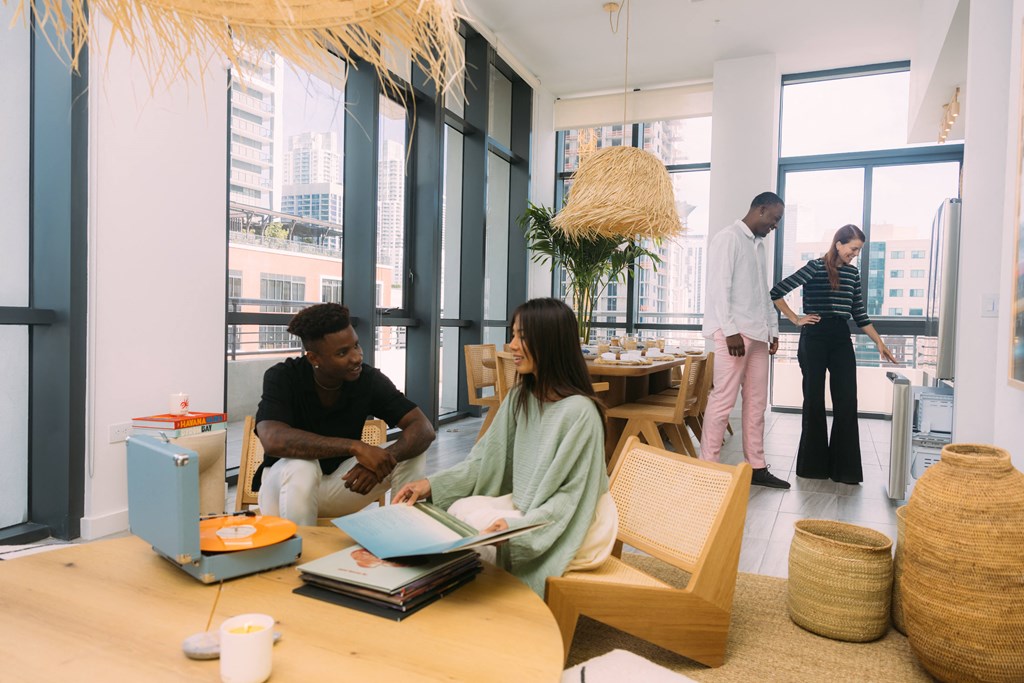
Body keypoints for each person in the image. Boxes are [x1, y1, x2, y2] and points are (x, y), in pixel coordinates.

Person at [391, 298, 617, 597]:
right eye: (512, 334)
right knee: (458, 510)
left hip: (570, 519)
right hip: (528, 504)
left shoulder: (580, 413)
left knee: (482, 536)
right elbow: (485, 459)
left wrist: (519, 532)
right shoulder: (523, 394)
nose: (511, 345)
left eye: (522, 336)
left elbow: (571, 497)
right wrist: (430, 484)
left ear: (550, 341)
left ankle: (483, 612)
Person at [253, 302, 435, 526]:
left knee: (413, 451)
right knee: (304, 466)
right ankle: (300, 551)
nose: (356, 357)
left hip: (339, 486)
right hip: (283, 490)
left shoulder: (367, 379)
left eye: (356, 346)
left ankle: (403, 536)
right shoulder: (283, 377)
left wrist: (386, 460)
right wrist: (356, 447)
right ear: (314, 358)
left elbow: (423, 428)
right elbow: (273, 439)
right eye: (342, 352)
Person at [770, 224, 897, 484]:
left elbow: (860, 314)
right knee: (814, 401)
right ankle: (812, 468)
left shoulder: (852, 274)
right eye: (853, 248)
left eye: (858, 250)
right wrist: (796, 319)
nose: (855, 254)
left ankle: (845, 470)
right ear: (839, 244)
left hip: (841, 337)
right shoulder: (815, 267)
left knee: (847, 400)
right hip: (814, 336)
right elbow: (777, 292)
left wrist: (879, 343)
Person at [700, 192, 790, 489]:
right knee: (722, 400)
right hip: (734, 334)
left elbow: (761, 291)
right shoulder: (727, 238)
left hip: (758, 334)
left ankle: (757, 467)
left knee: (756, 403)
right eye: (774, 219)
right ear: (761, 210)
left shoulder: (759, 246)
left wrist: (773, 329)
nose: (775, 226)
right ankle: (708, 469)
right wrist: (728, 330)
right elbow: (718, 288)